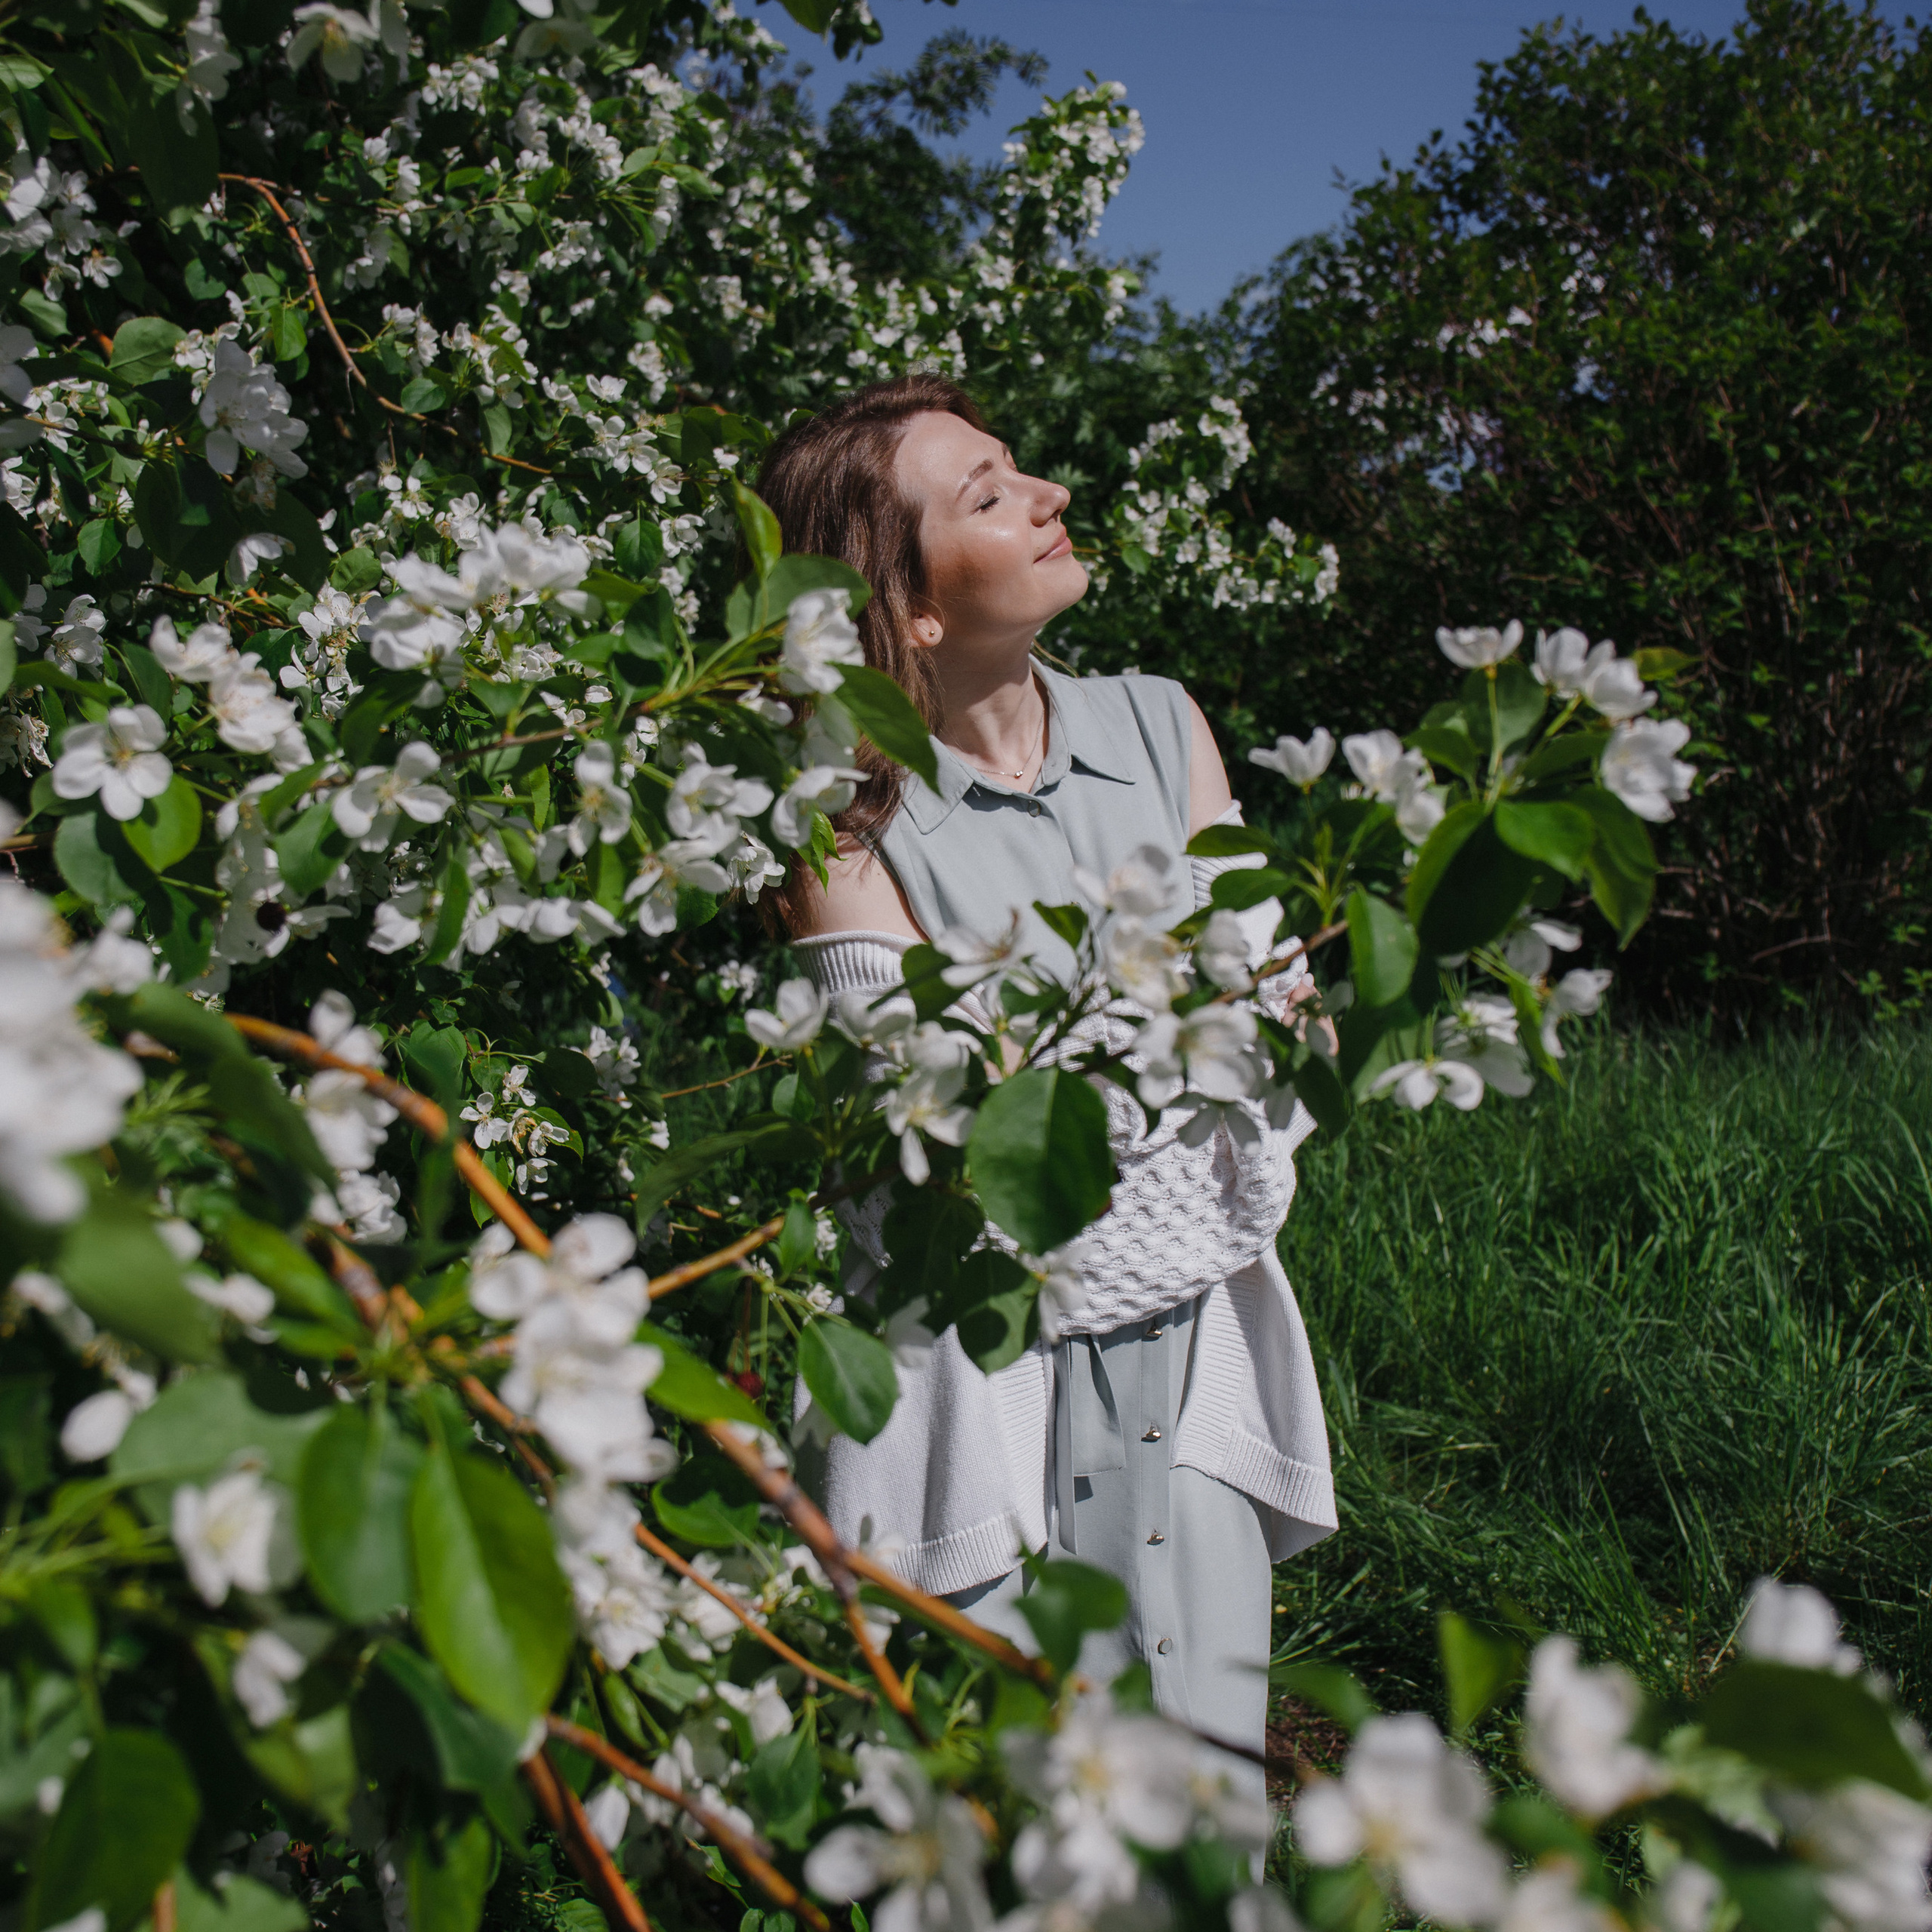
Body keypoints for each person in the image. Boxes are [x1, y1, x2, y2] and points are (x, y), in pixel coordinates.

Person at [759, 374, 1334, 1775]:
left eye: (1019, 469)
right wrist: (1188, 1017)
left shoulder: (1157, 720)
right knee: (1004, 1790)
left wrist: (1101, 1042)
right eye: (989, 494)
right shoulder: (833, 819)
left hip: (1187, 1327)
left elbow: (1272, 1026)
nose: (1049, 495)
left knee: (1203, 1764)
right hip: (974, 1364)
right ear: (913, 612)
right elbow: (945, 1130)